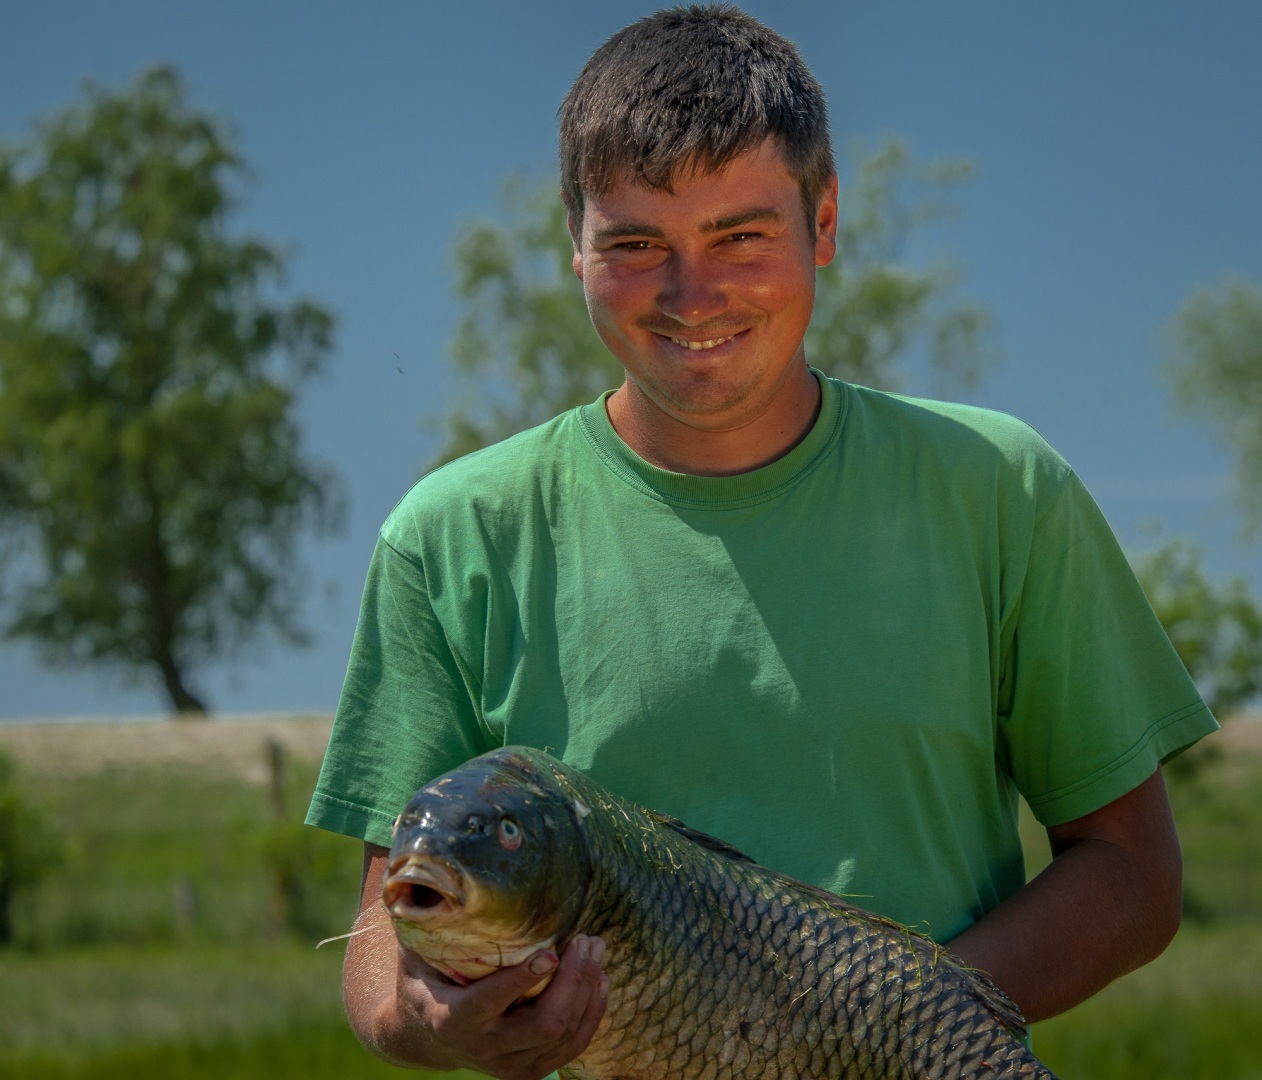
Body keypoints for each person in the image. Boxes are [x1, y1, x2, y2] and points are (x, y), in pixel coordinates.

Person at [306, 7, 1217, 1078]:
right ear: (575, 249)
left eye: (740, 235)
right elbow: (379, 948)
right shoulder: (450, 536)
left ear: (822, 222)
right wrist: (433, 1016)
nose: (692, 294)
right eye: (636, 246)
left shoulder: (1000, 489)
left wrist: (880, 1035)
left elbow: (1130, 874)